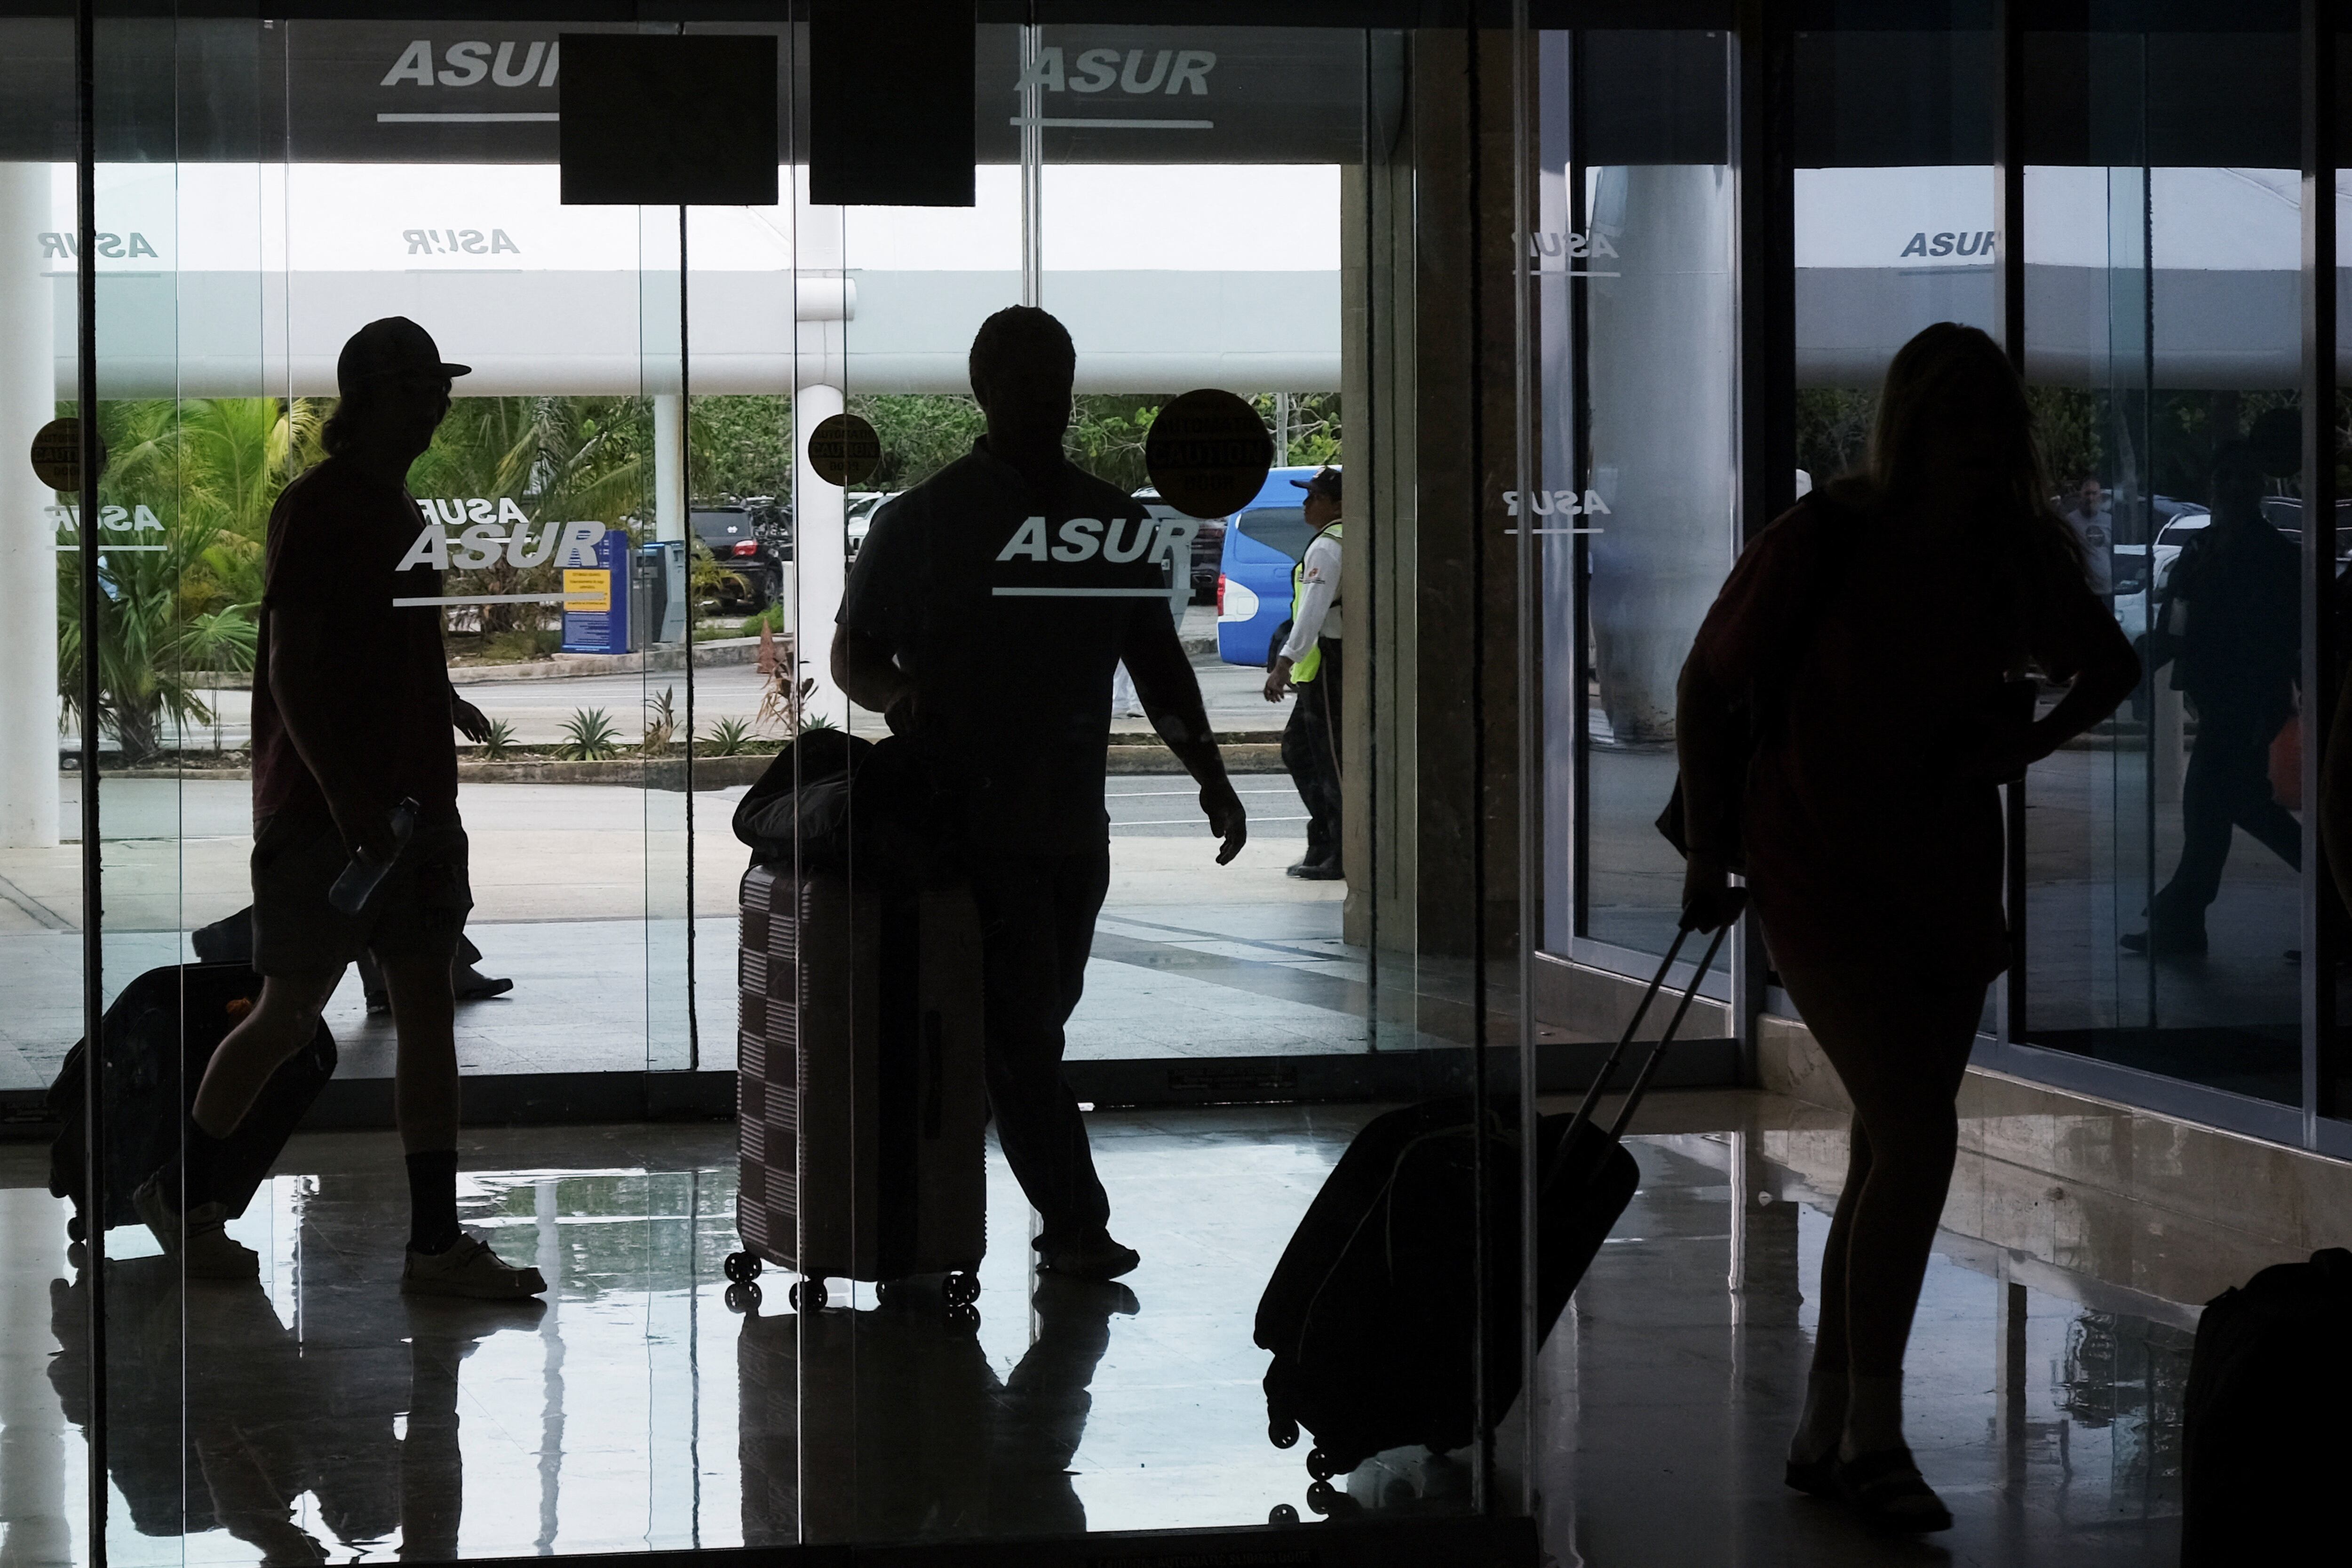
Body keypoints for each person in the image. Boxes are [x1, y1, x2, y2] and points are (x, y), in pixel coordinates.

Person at [1677, 323, 2137, 1531]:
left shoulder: (2005, 551)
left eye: (1993, 422)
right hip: (1818, 871)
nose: (1980, 445)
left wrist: (2017, 743)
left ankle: (1830, 1423)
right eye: (1957, 421)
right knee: (1913, 1132)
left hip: (1930, 874)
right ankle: (1869, 1428)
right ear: (1913, 426)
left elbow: (2108, 665)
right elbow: (1706, 680)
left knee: (1896, 1144)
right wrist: (1716, 850)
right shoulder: (1829, 537)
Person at [832, 305, 1248, 1282]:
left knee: (1031, 1024)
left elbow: (1156, 661)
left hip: (1071, 831)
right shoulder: (924, 521)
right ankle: (1071, 1221)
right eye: (1021, 379)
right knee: (1019, 1031)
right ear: (982, 389)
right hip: (968, 829)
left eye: (1055, 377)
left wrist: (1212, 775)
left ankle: (937, 1196)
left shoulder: (1111, 523)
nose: (1043, 398)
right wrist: (897, 695)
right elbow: (853, 651)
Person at [136, 317, 544, 1299]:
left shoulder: (396, 509)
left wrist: (438, 703)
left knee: (420, 1013)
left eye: (440, 386)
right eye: (419, 387)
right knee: (284, 1012)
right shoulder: (322, 507)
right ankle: (179, 1192)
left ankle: (436, 1242)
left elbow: (377, 644)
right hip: (337, 817)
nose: (439, 402)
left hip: (405, 808)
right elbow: (294, 665)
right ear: (366, 400)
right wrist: (349, 801)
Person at [2123, 442, 2301, 957]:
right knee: (2235, 806)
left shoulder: (2272, 556)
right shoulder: (2199, 548)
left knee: (2207, 804)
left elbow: (2272, 637)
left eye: (2244, 478)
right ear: (2210, 487)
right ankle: (2335, 901)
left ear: (2259, 488)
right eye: (2224, 477)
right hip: (2218, 698)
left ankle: (2180, 915)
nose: (2233, 487)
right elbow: (2178, 614)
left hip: (2246, 703)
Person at [1263, 467, 1344, 880]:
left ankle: (1342, 851)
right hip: (1320, 666)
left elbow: (1313, 610)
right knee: (1300, 751)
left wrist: (1284, 663)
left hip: (1332, 665)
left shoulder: (1329, 547)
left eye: (1314, 496)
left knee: (1332, 763)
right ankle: (1325, 840)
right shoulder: (1332, 540)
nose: (1306, 503)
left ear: (1338, 504)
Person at [2062, 476, 2114, 596]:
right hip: (2083, 591)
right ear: (2081, 496)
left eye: (2094, 494)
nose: (2090, 498)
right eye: (2087, 494)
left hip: (2108, 589)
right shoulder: (2071, 521)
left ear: (2100, 496)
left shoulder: (2109, 520)